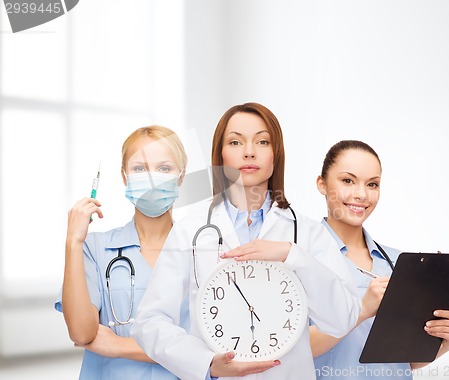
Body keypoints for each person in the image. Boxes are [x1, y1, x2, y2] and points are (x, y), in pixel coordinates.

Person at [131, 102, 361, 380]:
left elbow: (343, 319)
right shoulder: (190, 231)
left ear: (276, 155)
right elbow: (150, 321)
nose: (249, 151)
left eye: (262, 141)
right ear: (220, 155)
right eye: (236, 141)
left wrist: (293, 255)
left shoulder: (307, 233)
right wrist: (205, 363)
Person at [310, 140, 449, 379]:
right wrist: (361, 311)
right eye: (348, 180)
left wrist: (443, 342)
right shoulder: (301, 258)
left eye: (372, 184)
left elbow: (403, 361)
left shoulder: (397, 262)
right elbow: (294, 350)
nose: (361, 194)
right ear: (322, 184)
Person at [55, 126, 188, 379]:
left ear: (180, 177)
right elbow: (82, 333)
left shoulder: (201, 251)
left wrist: (116, 345)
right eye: (140, 168)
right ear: (125, 176)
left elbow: (209, 350)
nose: (151, 178)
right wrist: (73, 241)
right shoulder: (95, 248)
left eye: (164, 169)